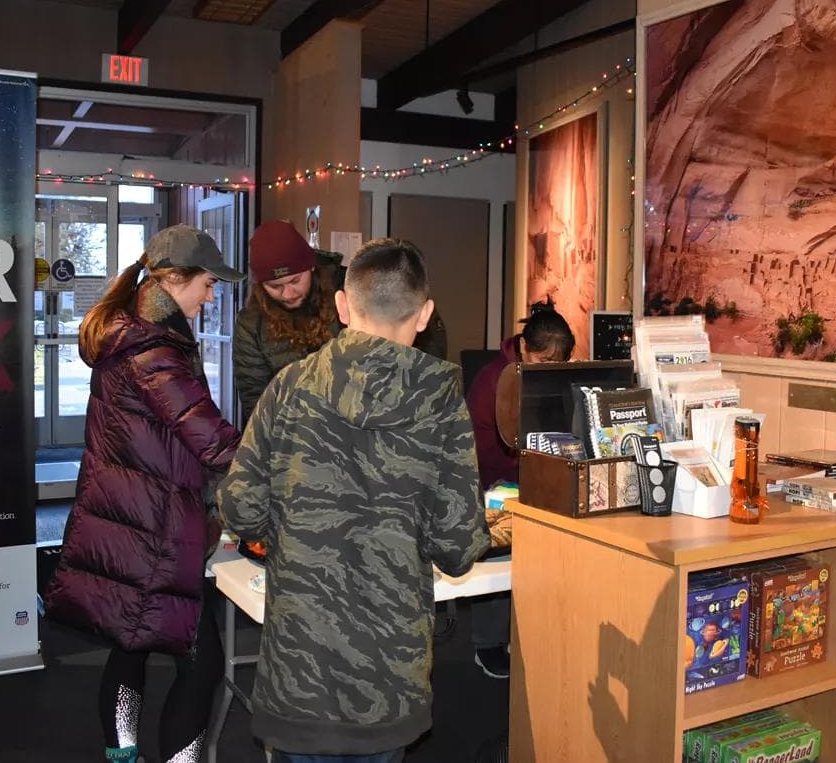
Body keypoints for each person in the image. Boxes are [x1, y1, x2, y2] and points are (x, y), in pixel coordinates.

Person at [218, 238, 490, 763]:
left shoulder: (288, 388)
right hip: (390, 674)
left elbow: (240, 509)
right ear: (426, 315)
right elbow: (458, 545)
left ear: (343, 306)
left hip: (301, 669)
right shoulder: (441, 404)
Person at [44, 224, 244, 763]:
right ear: (175, 280)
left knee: (129, 644)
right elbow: (213, 442)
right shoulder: (154, 347)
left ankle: (123, 756)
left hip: (125, 517)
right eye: (207, 284)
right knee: (200, 667)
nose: (210, 296)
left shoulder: (133, 331)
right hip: (150, 528)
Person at [232, 220, 448, 423]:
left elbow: (424, 341)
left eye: (295, 281)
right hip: (298, 438)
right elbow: (257, 402)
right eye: (274, 286)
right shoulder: (251, 324)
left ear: (311, 266)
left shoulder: (354, 288)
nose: (287, 293)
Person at [463, 298, 574, 680]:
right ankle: (488, 643)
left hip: (534, 474)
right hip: (493, 479)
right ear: (525, 347)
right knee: (501, 553)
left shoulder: (543, 377)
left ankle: (533, 634)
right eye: (544, 362)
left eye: (557, 365)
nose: (550, 371)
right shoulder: (496, 379)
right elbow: (486, 448)